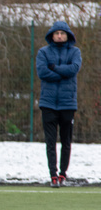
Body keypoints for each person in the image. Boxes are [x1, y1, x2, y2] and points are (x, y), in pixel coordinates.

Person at [36, 20, 81, 187]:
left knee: (66, 141)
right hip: (48, 103)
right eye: (57, 33)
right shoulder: (43, 52)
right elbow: (42, 72)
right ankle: (53, 175)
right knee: (50, 141)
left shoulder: (75, 52)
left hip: (68, 103)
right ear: (52, 35)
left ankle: (63, 173)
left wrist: (54, 68)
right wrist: (62, 73)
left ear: (67, 35)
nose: (60, 36)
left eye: (62, 33)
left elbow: (73, 69)